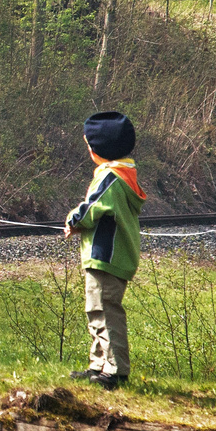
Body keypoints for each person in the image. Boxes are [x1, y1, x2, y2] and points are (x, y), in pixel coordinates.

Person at [64, 111, 147, 391]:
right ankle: (98, 364)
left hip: (105, 256)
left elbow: (92, 207)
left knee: (105, 313)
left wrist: (72, 221)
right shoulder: (124, 174)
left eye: (89, 144)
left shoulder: (110, 177)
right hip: (111, 256)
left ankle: (115, 371)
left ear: (99, 149)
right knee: (97, 312)